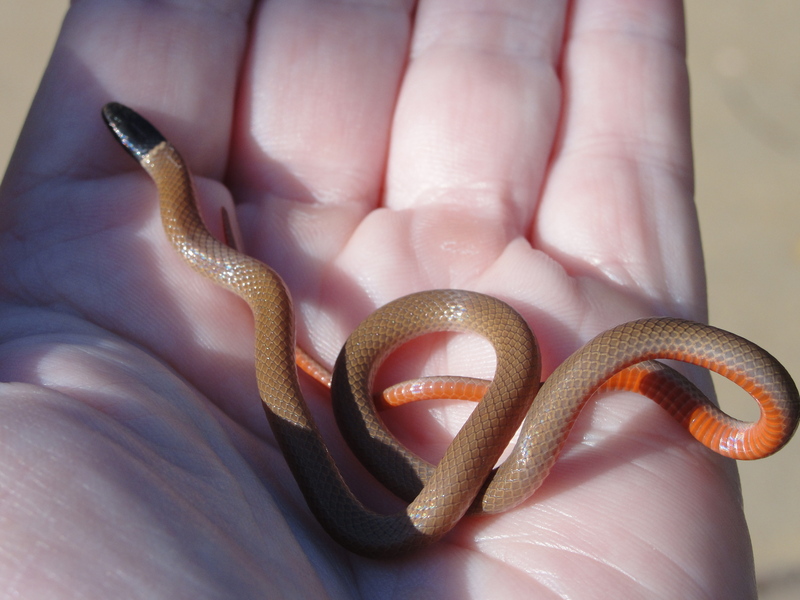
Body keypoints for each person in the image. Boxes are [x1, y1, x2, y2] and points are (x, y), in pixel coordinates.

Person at [0, 1, 756, 597]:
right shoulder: (221, 256)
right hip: (401, 507)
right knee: (430, 416)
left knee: (486, 365)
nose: (121, 131)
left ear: (144, 152)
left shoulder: (228, 257)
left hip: (440, 444)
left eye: (130, 137)